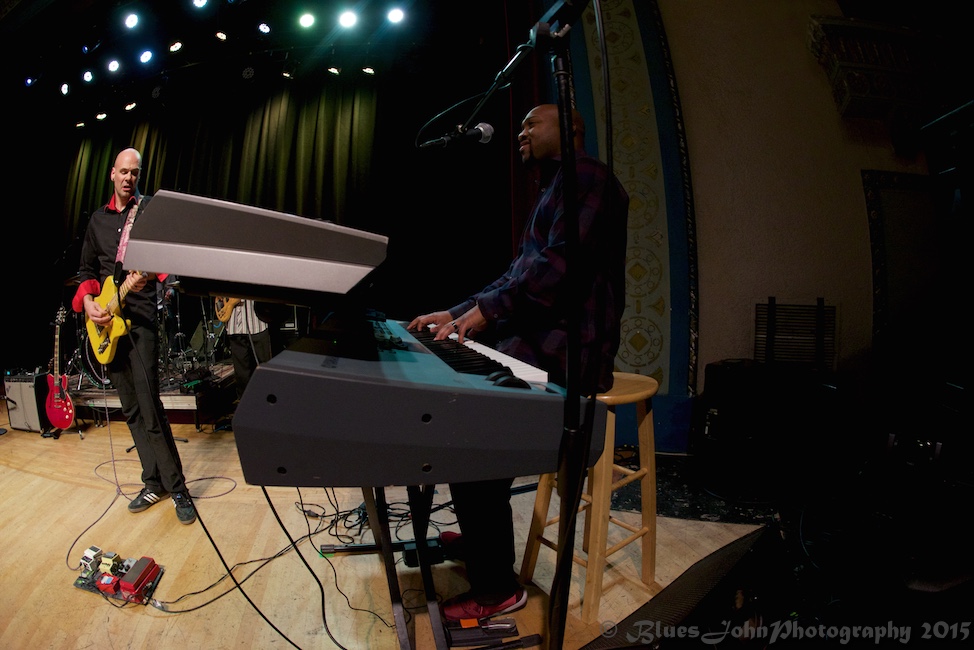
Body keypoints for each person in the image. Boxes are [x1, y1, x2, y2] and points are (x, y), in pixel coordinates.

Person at [407, 103, 629, 620]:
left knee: (470, 435)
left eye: (533, 124)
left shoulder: (588, 177)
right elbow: (515, 277)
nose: (521, 132)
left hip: (566, 353)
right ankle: (485, 535)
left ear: (571, 129)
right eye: (522, 125)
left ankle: (496, 589)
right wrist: (460, 310)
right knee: (472, 425)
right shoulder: (553, 190)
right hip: (534, 343)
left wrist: (484, 316)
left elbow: (557, 273)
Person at [73, 147, 197, 525]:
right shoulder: (96, 221)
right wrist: (90, 302)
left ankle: (178, 490)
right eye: (123, 172)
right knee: (128, 409)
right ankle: (152, 481)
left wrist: (159, 274)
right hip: (108, 325)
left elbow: (164, 263)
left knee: (150, 407)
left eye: (135, 173)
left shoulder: (146, 213)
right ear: (112, 174)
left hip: (140, 321)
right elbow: (85, 270)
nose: (129, 178)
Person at [217, 297, 272, 402]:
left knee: (264, 368)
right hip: (235, 326)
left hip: (256, 324)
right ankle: (245, 404)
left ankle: (267, 402)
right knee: (241, 373)